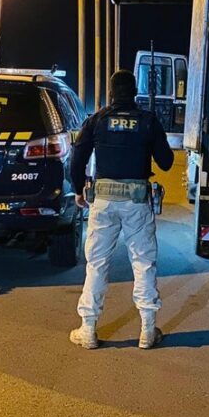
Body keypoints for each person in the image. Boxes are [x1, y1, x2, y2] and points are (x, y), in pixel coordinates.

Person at [69, 70, 174, 350]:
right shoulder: (147, 121)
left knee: (97, 263)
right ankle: (147, 331)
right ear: (135, 91)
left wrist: (79, 190)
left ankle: (88, 329)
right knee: (143, 262)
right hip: (137, 201)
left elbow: (77, 160)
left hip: (103, 200)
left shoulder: (97, 120)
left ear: (111, 93)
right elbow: (166, 162)